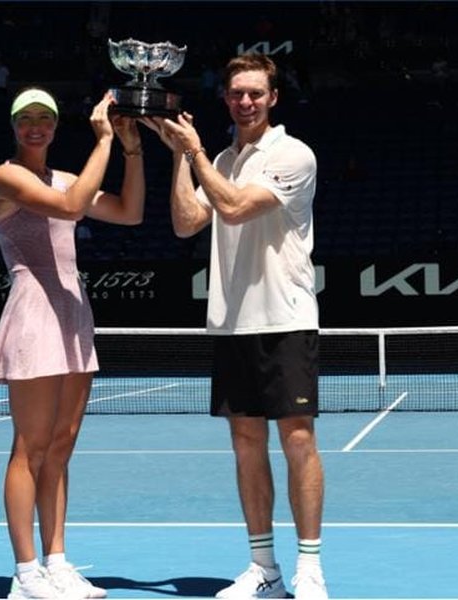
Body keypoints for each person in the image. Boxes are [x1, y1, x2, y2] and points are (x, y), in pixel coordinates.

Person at [143, 53, 327, 599]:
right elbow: (184, 222)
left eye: (255, 93)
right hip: (230, 323)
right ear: (225, 99)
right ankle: (264, 567)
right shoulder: (218, 159)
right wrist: (182, 157)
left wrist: (194, 151)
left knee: (297, 440)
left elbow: (238, 208)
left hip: (285, 318)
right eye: (236, 93)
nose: (245, 101)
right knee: (247, 444)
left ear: (273, 98)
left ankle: (310, 568)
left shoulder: (293, 155)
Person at [0, 87, 145, 599]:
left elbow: (129, 211)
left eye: (45, 119)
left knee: (60, 446)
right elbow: (72, 207)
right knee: (28, 449)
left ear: (55, 126)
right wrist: (102, 139)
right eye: (26, 118)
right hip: (34, 316)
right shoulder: (5, 177)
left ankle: (56, 562)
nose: (36, 126)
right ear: (14, 126)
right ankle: (26, 574)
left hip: (74, 316)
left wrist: (130, 148)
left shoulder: (67, 177)